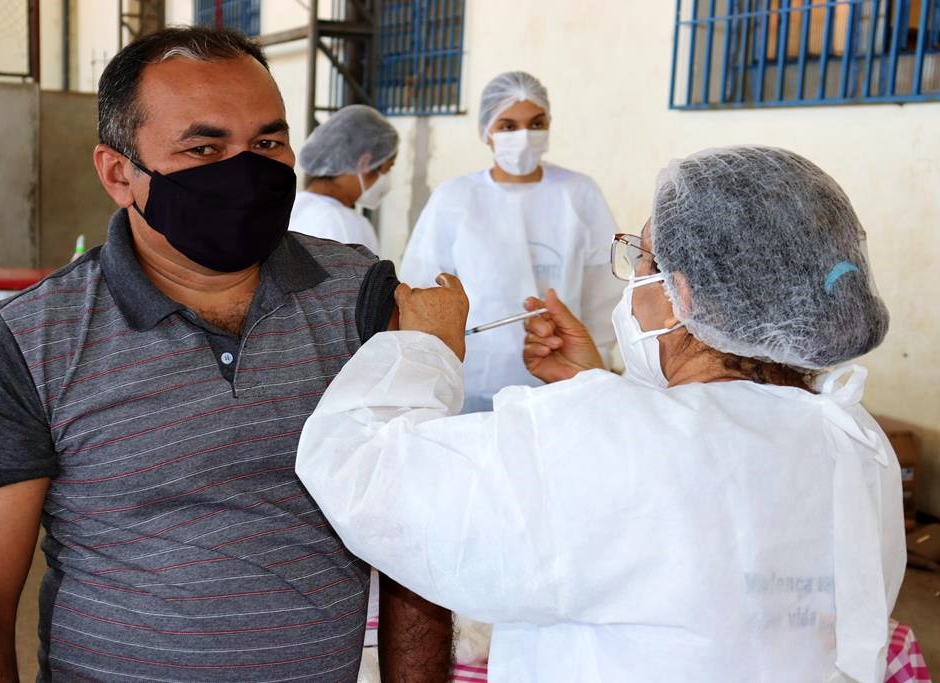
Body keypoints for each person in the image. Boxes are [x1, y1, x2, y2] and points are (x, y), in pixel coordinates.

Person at [0, 27, 451, 682]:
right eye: (205, 147)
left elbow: (417, 549)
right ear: (119, 173)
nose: (248, 169)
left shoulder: (362, 300)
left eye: (267, 142)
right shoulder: (31, 343)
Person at [296, 146, 906, 682]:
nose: (631, 280)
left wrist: (424, 349)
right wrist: (600, 384)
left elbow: (360, 471)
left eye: (641, 259)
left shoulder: (606, 438)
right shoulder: (851, 438)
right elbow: (697, 516)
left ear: (683, 292)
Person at [399, 71, 620, 413]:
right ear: (486, 132)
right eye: (507, 126)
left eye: (536, 123)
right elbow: (424, 286)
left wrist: (597, 360)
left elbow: (602, 288)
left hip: (563, 374)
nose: (523, 136)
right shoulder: (456, 197)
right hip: (475, 376)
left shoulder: (578, 193)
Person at [289, 104, 398, 253]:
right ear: (364, 163)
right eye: (388, 167)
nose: (388, 178)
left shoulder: (291, 207)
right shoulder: (347, 225)